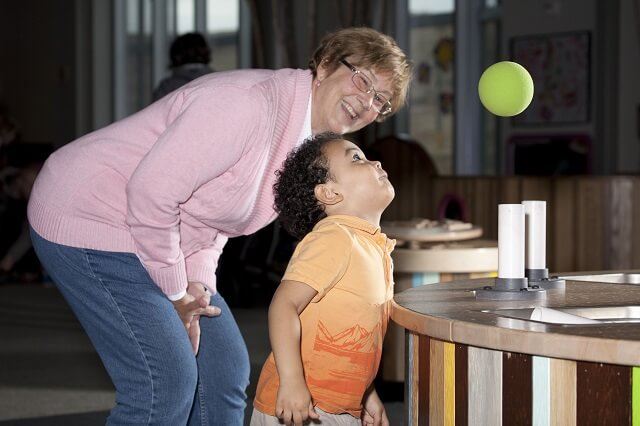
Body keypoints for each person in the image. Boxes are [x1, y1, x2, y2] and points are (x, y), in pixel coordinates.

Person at [28, 27, 412, 425]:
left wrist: (196, 286)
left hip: (151, 232)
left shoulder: (303, 142)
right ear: (327, 64)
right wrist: (177, 292)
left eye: (380, 101)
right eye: (363, 79)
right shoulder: (248, 104)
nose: (366, 102)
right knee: (165, 382)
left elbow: (212, 219)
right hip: (88, 214)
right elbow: (152, 192)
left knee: (224, 369)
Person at [250, 133, 395, 426]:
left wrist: (367, 393)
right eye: (356, 158)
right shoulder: (335, 237)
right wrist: (291, 382)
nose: (375, 161)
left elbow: (359, 334)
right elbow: (283, 306)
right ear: (329, 193)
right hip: (302, 405)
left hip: (340, 405)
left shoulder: (373, 247)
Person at [152, 32, 215, 101]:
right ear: (206, 52)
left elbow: (157, 111)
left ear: (175, 56)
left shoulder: (167, 87)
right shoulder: (220, 82)